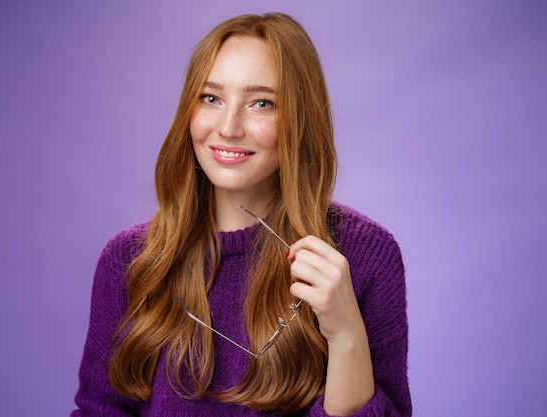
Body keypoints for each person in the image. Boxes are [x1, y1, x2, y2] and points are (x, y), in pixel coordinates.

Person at [71, 12, 411, 417]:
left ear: (299, 120)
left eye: (261, 103)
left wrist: (347, 335)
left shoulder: (364, 256)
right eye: (211, 98)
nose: (229, 128)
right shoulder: (130, 261)